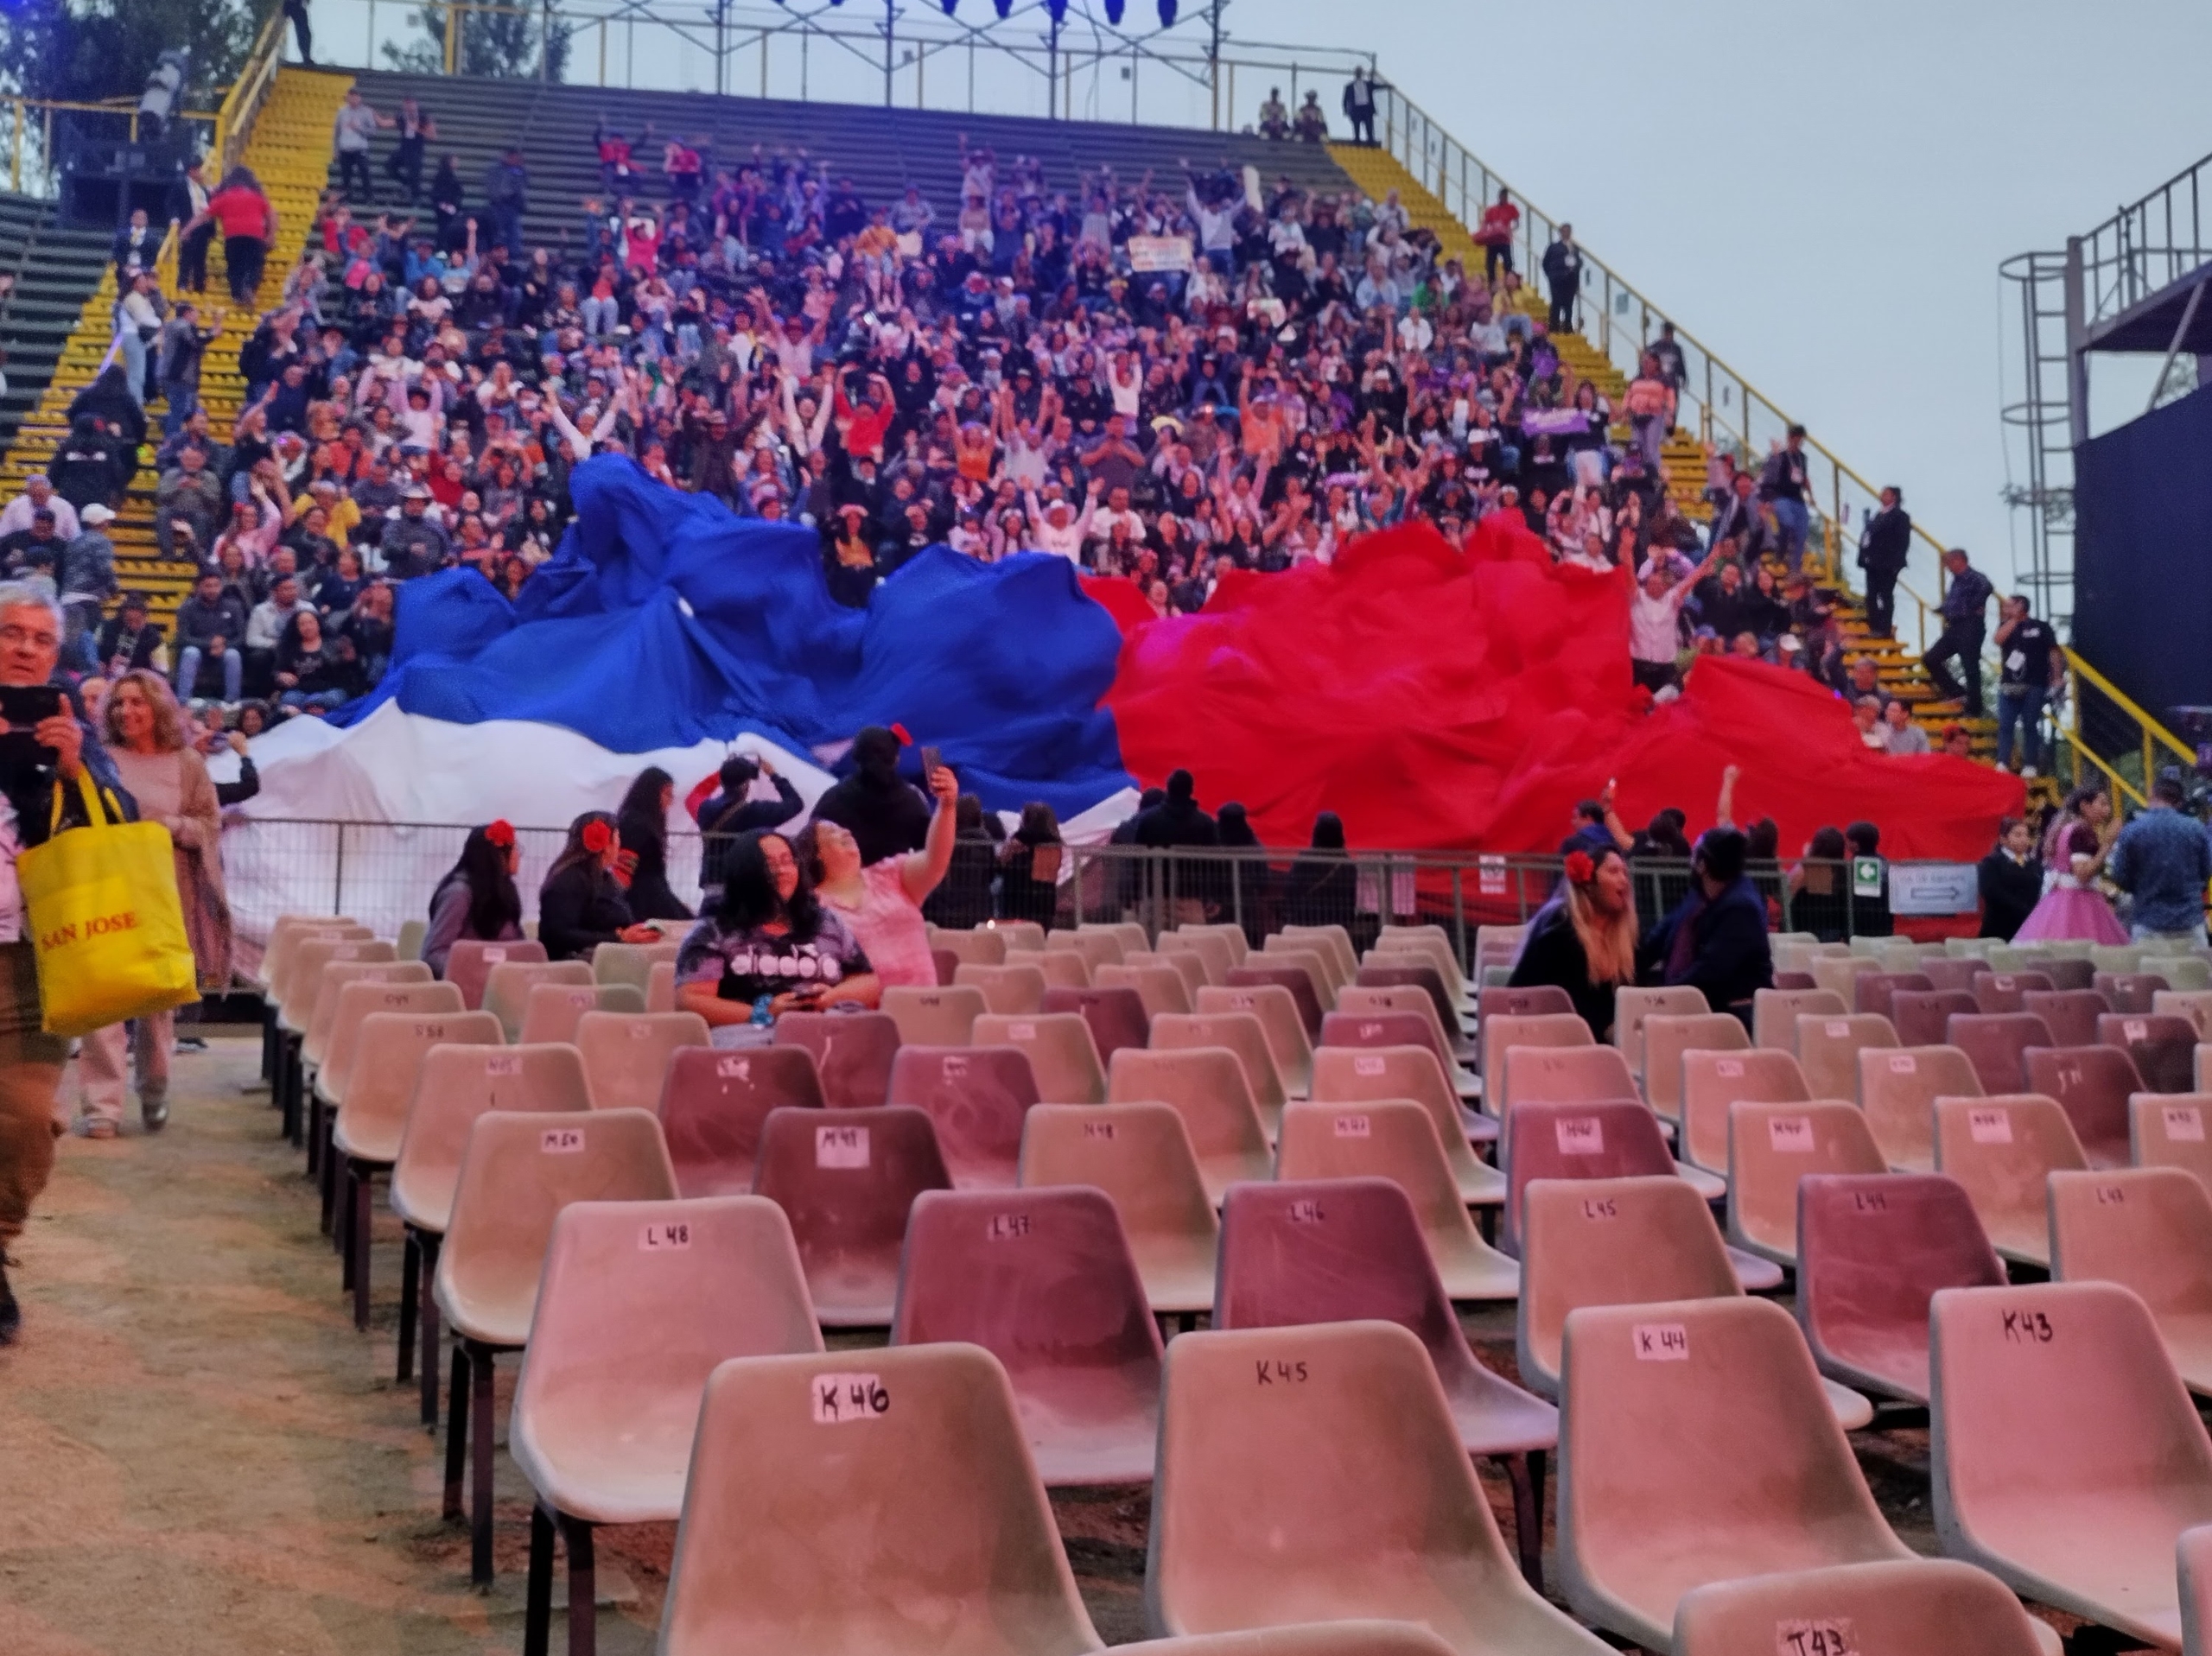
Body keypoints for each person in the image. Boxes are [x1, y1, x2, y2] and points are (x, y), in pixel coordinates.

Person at [0, 583, 133, 1340]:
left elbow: (119, 831)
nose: (24, 647)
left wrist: (77, 770)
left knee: (23, 1123)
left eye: (40, 639)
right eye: (11, 633)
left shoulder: (77, 733)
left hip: (31, 960)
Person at [77, 670, 226, 1136]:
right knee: (103, 1001)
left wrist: (172, 826)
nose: (127, 712)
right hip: (108, 893)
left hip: (166, 896)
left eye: (137, 703)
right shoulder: (99, 759)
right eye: (119, 704)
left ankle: (155, 1088)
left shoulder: (186, 763)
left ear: (157, 708)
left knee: (157, 1005)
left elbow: (208, 824)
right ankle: (102, 1109)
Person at [674, 829, 880, 1029]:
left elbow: (867, 981)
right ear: (744, 871)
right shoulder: (715, 928)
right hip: (748, 1034)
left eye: (787, 861)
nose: (782, 871)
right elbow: (691, 999)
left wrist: (830, 998)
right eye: (769, 864)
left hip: (826, 1029)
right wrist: (764, 1013)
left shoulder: (826, 921)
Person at [799, 758, 959, 987]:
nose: (845, 832)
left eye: (844, 829)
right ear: (815, 854)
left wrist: (947, 807)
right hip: (854, 1014)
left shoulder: (892, 876)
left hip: (921, 1009)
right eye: (831, 833)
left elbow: (936, 859)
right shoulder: (811, 906)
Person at [1644, 826, 1774, 1030]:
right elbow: (1659, 936)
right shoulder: (1700, 895)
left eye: (1694, 855)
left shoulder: (1741, 908)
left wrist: (1662, 998)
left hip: (1734, 1013)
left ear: (1702, 865)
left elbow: (1709, 971)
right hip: (1698, 1001)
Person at [1508, 844, 1637, 1039]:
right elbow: (1565, 1009)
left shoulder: (1624, 940)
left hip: (1590, 1042)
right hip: (1539, 1037)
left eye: (1625, 873)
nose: (1624, 880)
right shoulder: (1560, 930)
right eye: (1613, 871)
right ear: (1588, 883)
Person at [2104, 773, 2212, 946]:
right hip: (2190, 921)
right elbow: (2206, 871)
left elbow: (2120, 876)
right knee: (2195, 971)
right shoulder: (2196, 829)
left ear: (2151, 796)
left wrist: (2140, 888)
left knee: (2150, 972)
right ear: (2180, 802)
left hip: (2148, 920)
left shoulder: (2132, 831)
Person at [537, 810, 660, 961]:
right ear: (605, 845)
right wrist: (618, 937)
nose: (619, 844)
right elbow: (559, 934)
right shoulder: (568, 880)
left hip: (607, 957)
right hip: (578, 964)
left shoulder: (604, 878)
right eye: (617, 837)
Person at [691, 752, 804, 911]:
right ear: (746, 785)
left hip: (712, 879)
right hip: (744, 881)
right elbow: (795, 804)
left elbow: (696, 796)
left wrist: (727, 769)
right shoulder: (755, 812)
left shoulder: (705, 809)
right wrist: (774, 775)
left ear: (721, 781)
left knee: (711, 930)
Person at [809, 725, 930, 865]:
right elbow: (929, 854)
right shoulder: (912, 802)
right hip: (893, 883)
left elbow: (811, 844)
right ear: (896, 758)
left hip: (844, 883)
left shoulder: (834, 797)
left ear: (855, 756)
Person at [423, 820, 524, 977]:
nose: (518, 855)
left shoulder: (506, 890)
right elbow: (434, 952)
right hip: (469, 990)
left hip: (504, 985)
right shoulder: (459, 894)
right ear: (497, 855)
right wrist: (474, 973)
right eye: (514, 849)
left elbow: (519, 945)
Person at [2014, 807, 2127, 945]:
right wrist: (2107, 844)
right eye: (2102, 803)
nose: (2107, 810)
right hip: (2079, 901)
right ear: (2085, 805)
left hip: (2059, 899)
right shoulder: (2080, 831)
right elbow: (2082, 874)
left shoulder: (2065, 829)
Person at [613, 765, 693, 923]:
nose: (670, 801)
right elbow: (624, 868)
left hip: (651, 894)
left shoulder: (638, 820)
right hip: (644, 899)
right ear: (652, 793)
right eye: (667, 794)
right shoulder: (635, 823)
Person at [1993, 593, 2060, 777]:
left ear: (2021, 605)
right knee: (2006, 723)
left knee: (2030, 723)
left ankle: (2030, 763)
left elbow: (2054, 653)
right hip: (2009, 682)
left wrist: (2056, 677)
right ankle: (2002, 762)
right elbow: (1998, 640)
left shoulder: (2041, 627)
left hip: (2035, 683)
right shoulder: (2006, 626)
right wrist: (2012, 621)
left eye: (2009, 605)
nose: (2005, 609)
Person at [1923, 547, 1993, 717]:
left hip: (1970, 626)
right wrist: (1944, 609)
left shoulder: (1974, 577)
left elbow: (1987, 588)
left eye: (1949, 563)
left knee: (1970, 666)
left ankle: (1975, 708)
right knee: (1930, 658)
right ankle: (1957, 693)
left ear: (1959, 560)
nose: (1947, 567)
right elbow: (1956, 601)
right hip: (1954, 627)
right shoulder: (1956, 580)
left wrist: (1971, 607)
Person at [923, 794, 999, 930]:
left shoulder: (946, 838)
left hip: (944, 909)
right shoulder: (986, 841)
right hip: (979, 909)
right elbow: (991, 875)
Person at [207, 167, 276, 308]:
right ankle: (250, 286)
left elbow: (206, 214)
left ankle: (237, 295)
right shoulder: (257, 196)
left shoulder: (225, 195)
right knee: (255, 264)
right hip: (255, 234)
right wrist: (271, 235)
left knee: (234, 266)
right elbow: (272, 216)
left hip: (232, 235)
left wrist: (186, 230)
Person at [1281, 809, 1358, 929]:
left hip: (1303, 923)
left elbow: (1290, 890)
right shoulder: (1347, 865)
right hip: (1335, 927)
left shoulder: (1305, 860)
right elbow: (1349, 902)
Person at [1855, 486, 1910, 640]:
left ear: (1894, 497)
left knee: (1885, 595)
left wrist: (1896, 563)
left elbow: (1903, 542)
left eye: (1886, 493)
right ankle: (1874, 625)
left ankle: (1884, 628)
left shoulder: (1900, 516)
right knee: (1871, 595)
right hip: (1872, 563)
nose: (1882, 496)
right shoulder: (1878, 515)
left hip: (1888, 564)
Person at [1977, 816, 2043, 942]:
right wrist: (2022, 909)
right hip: (2000, 927)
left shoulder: (2034, 864)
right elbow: (1991, 892)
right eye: (2018, 835)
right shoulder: (1992, 863)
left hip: (2030, 925)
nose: (2024, 839)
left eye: (2026, 835)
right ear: (2003, 839)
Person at [998, 803, 1064, 929]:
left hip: (1017, 899)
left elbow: (1002, 862)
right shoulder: (1054, 845)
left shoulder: (1018, 842)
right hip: (1045, 900)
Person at [1758, 426, 1814, 572]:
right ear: (1789, 438)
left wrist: (1811, 496)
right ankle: (1780, 552)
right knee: (1787, 524)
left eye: (1800, 439)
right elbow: (1767, 475)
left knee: (1801, 533)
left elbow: (1804, 478)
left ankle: (1794, 568)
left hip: (1798, 498)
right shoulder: (1780, 456)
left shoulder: (1802, 458)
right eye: (1795, 438)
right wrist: (1766, 498)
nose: (1797, 441)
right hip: (1781, 497)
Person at [1787, 825, 1852, 942]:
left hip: (1805, 931)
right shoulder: (1845, 871)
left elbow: (1787, 895)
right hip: (1834, 932)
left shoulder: (1808, 869)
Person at [333, 87, 390, 204]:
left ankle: (369, 197)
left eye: (356, 96)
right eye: (351, 96)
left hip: (360, 148)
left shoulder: (366, 112)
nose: (353, 99)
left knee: (364, 173)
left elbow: (372, 131)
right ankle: (346, 197)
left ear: (359, 98)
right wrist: (336, 149)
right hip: (345, 148)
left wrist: (358, 128)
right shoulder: (342, 112)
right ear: (347, 97)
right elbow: (337, 132)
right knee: (346, 175)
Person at [1844, 821, 1892, 937]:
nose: (1846, 843)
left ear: (1856, 844)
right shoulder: (1884, 862)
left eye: (1849, 840)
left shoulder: (1855, 865)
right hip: (1884, 923)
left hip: (1861, 927)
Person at [1541, 224, 1581, 333]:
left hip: (1571, 279)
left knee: (1569, 303)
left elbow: (1578, 264)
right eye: (1564, 231)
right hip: (1557, 278)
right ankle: (1554, 327)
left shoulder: (1575, 248)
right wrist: (1551, 276)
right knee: (1556, 302)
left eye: (1568, 231)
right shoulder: (1553, 247)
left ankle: (1568, 327)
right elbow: (1545, 263)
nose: (1566, 233)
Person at [1342, 67, 1377, 145]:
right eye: (1357, 72)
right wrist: (1345, 110)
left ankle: (1370, 142)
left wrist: (1389, 86)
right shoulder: (1349, 86)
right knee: (1356, 126)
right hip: (1356, 109)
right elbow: (1345, 100)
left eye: (1360, 72)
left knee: (1369, 126)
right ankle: (1357, 141)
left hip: (1366, 108)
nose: (1359, 74)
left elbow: (1378, 86)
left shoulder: (1368, 84)